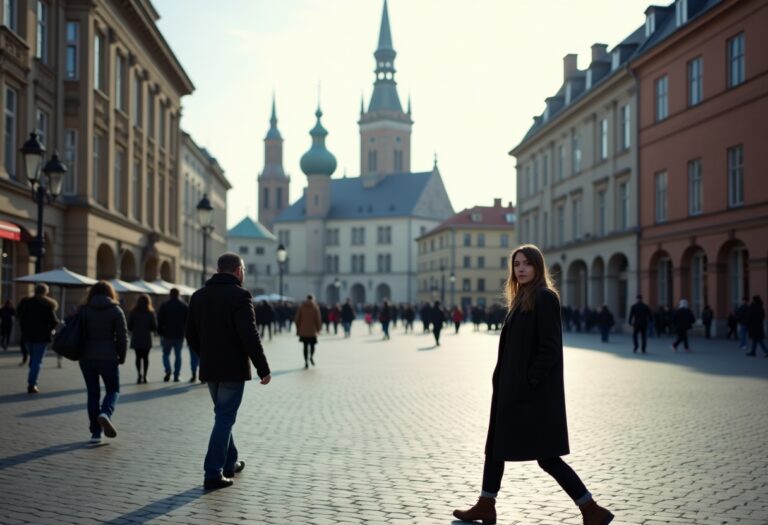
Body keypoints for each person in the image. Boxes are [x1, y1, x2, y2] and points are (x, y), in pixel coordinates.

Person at [453, 244, 613, 525]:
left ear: (538, 267)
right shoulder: (522, 297)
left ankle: (591, 510)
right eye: (517, 264)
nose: (521, 268)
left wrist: (529, 382)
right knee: (496, 447)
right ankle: (485, 504)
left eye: (527, 263)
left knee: (547, 457)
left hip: (531, 395)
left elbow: (550, 348)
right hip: (510, 390)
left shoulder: (544, 297)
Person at [186, 252, 271, 491]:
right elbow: (249, 335)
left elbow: (190, 334)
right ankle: (212, 472)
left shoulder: (198, 296)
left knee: (223, 414)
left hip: (210, 367)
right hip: (232, 368)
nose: (243, 274)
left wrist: (205, 354)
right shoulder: (240, 296)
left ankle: (229, 462)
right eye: (242, 270)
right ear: (236, 270)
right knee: (225, 417)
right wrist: (263, 367)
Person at [79, 281, 128, 443]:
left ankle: (95, 433)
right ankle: (105, 413)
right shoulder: (116, 310)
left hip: (86, 357)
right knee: (113, 390)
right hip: (108, 357)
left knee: (92, 394)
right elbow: (122, 337)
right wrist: (122, 356)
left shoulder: (84, 310)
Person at [17, 283, 59, 394]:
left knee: (33, 359)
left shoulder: (25, 302)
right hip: (42, 337)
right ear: (46, 292)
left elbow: (19, 316)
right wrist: (51, 329)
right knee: (36, 361)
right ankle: (32, 384)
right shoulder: (47, 304)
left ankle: (32, 379)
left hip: (27, 336)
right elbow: (54, 321)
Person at [157, 288, 189, 382]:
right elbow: (187, 321)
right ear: (178, 294)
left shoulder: (164, 305)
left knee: (165, 354)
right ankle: (176, 375)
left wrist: (160, 332)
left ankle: (168, 370)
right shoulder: (184, 306)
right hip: (179, 334)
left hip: (167, 334)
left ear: (170, 294)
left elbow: (160, 320)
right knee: (178, 355)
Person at [128, 294, 157, 384]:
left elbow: (129, 326)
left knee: (138, 357)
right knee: (145, 358)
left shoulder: (133, 312)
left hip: (136, 338)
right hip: (146, 338)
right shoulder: (150, 312)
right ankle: (145, 375)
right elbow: (154, 327)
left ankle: (138, 375)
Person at [295, 294, 321, 369]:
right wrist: (318, 329)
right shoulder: (315, 307)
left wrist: (298, 328)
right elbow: (318, 320)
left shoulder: (301, 307)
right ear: (313, 299)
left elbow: (297, 319)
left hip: (303, 331)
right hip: (313, 331)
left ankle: (306, 361)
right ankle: (311, 357)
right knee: (313, 346)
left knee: (305, 346)